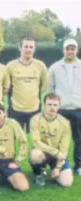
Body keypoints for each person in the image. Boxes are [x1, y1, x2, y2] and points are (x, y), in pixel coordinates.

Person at [49, 39, 81, 176]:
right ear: (64, 50)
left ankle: (78, 166)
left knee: (78, 139)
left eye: (73, 49)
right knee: (57, 139)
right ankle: (59, 164)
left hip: (78, 108)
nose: (70, 51)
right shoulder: (55, 67)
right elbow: (50, 88)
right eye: (68, 48)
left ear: (76, 50)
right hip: (60, 109)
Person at [30, 93, 73, 187]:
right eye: (49, 104)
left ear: (59, 106)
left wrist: (58, 167)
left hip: (58, 156)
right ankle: (39, 173)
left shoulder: (65, 123)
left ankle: (55, 172)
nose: (52, 107)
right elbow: (36, 142)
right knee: (35, 155)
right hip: (43, 153)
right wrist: (55, 152)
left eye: (55, 105)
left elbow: (64, 149)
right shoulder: (35, 119)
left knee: (66, 183)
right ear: (44, 105)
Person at [6, 37, 49, 132]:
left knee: (35, 141)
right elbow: (6, 87)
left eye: (31, 47)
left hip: (34, 110)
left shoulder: (40, 66)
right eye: (26, 46)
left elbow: (44, 85)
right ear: (20, 48)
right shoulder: (10, 66)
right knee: (15, 141)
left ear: (34, 49)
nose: (28, 49)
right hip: (15, 110)